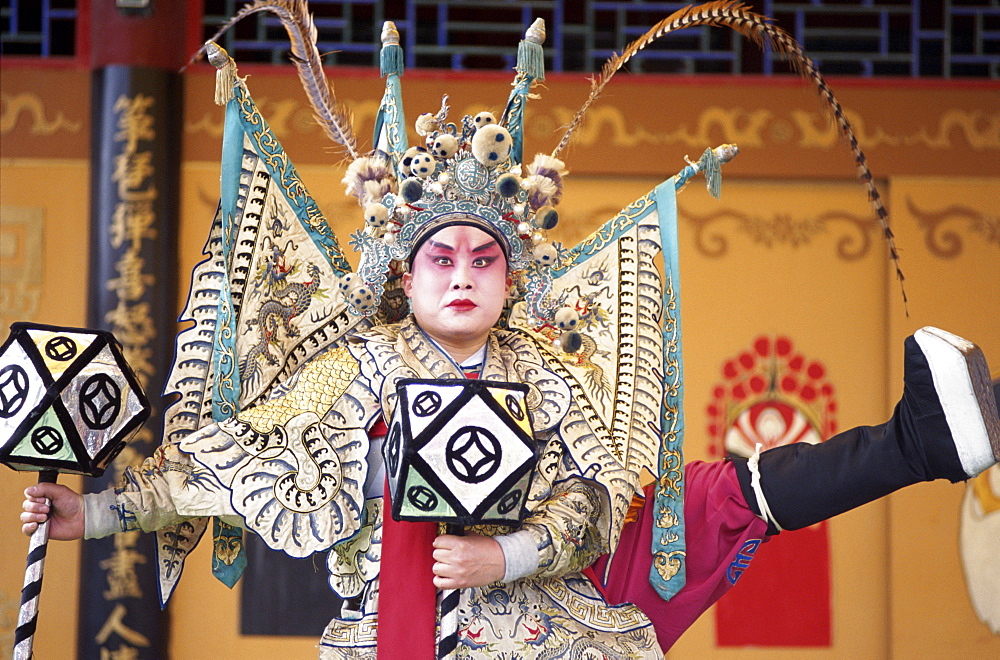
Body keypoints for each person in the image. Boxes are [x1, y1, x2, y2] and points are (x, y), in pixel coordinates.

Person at [20, 7, 1000, 658]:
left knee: (696, 499)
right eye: (440, 259)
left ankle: (918, 442)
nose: (460, 277)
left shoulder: (542, 370)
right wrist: (93, 515)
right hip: (392, 636)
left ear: (509, 272)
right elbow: (227, 474)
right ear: (403, 274)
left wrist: (507, 557)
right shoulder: (353, 368)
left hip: (541, 629)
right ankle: (917, 444)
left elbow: (596, 503)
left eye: (482, 259)